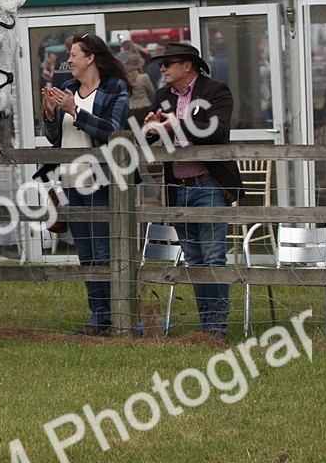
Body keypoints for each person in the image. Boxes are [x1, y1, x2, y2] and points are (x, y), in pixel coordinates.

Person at [142, 41, 242, 343]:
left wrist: (179, 125)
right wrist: (150, 130)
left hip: (209, 185)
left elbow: (218, 132)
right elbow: (149, 141)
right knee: (196, 261)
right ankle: (206, 326)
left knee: (213, 259)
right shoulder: (162, 95)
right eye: (161, 63)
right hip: (178, 188)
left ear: (189, 65)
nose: (162, 68)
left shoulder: (216, 91)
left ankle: (217, 329)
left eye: (168, 62)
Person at [41, 34, 130, 335]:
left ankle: (114, 318)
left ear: (91, 58)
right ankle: (98, 318)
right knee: (87, 256)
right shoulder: (67, 89)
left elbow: (114, 131)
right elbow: (56, 138)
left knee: (104, 254)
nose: (69, 59)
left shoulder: (114, 88)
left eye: (74, 54)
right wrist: (50, 114)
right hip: (70, 184)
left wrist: (76, 112)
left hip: (101, 182)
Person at [124, 49, 154, 126]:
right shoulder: (144, 77)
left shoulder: (126, 78)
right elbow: (152, 92)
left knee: (134, 132)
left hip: (130, 109)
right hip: (143, 107)